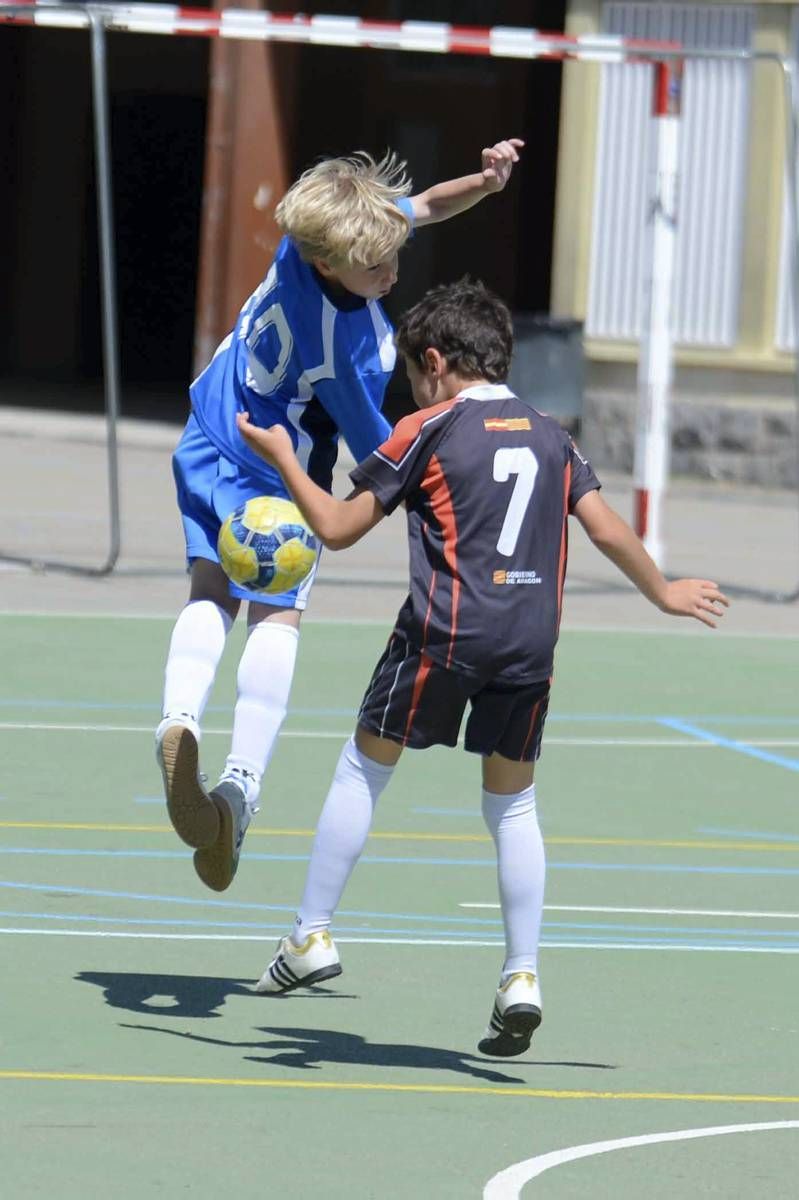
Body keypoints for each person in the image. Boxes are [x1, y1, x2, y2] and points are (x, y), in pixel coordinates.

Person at [236, 278, 729, 1057]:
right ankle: (522, 975)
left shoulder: (425, 428)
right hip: (530, 646)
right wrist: (662, 590)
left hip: (442, 635)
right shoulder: (551, 435)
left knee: (364, 770)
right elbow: (602, 531)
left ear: (434, 361)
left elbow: (333, 527)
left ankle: (310, 934)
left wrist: (281, 460)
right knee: (514, 807)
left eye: (411, 370)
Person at [155, 140, 524, 893]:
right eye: (378, 267)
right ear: (333, 264)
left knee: (207, 588)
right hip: (274, 464)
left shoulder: (309, 239)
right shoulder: (347, 347)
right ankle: (239, 788)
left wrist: (481, 185)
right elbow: (378, 451)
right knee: (275, 616)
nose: (392, 272)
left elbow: (418, 209)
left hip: (209, 427)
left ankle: (176, 720)